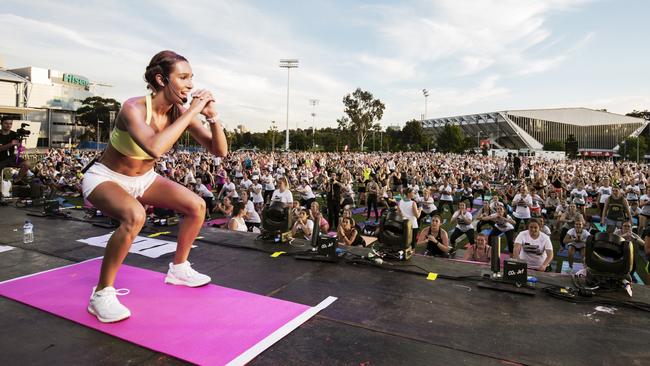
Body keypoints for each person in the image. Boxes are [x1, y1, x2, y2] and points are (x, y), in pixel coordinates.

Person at [82, 50, 227, 323]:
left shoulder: (179, 112)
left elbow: (219, 151)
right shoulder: (132, 108)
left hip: (144, 179)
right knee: (135, 215)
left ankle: (179, 269)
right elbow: (155, 147)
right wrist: (194, 110)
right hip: (106, 177)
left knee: (197, 205)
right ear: (161, 80)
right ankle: (101, 294)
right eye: (183, 77)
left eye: (191, 78)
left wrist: (213, 117)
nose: (191, 85)